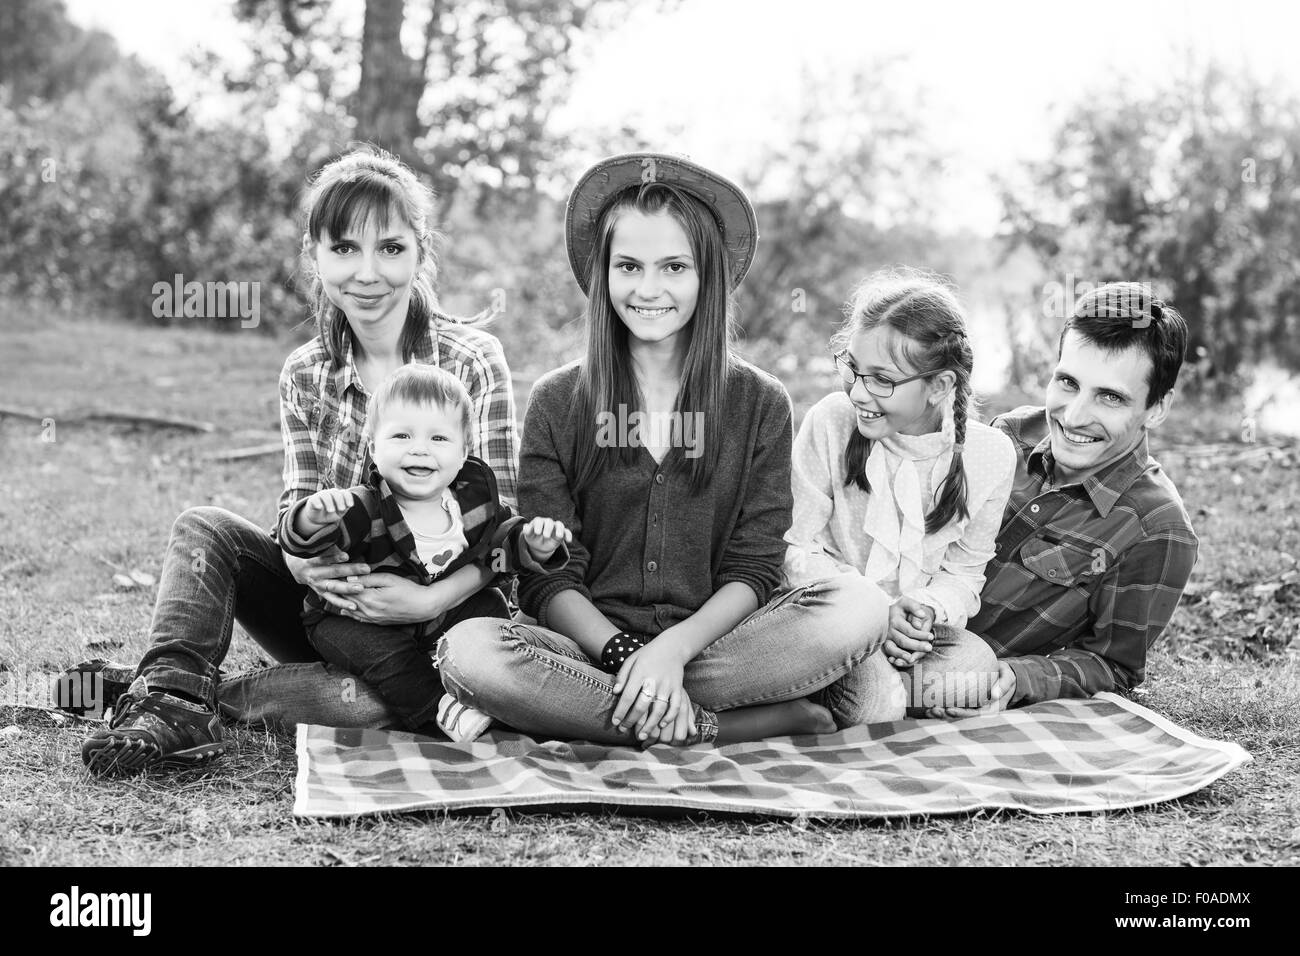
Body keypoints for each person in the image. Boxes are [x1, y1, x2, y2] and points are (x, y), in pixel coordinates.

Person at [75, 145, 520, 775]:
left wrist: (425, 602)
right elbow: (296, 510)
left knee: (366, 707)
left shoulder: (472, 361)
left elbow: (507, 520)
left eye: (391, 248)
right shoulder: (306, 372)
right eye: (344, 249)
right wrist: (306, 567)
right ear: (314, 255)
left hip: (439, 624)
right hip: (332, 613)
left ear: (421, 254)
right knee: (206, 529)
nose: (367, 274)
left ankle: (171, 695)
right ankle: (173, 693)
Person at [435, 152, 888, 747]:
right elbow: (549, 577)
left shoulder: (759, 402)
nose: (649, 289)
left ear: (708, 276)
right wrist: (628, 654)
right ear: (603, 274)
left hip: (714, 649)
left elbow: (753, 568)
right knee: (470, 653)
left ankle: (597, 713)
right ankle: (708, 727)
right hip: (589, 648)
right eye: (629, 266)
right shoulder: (557, 400)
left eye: (674, 266)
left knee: (857, 609)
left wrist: (670, 653)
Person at [912, 283, 1198, 718]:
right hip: (892, 619)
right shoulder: (1007, 435)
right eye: (1068, 382)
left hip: (950, 674)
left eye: (1111, 397)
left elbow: (1113, 665)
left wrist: (1021, 679)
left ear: (1157, 408)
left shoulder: (1156, 529)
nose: (1075, 416)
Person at [278, 364, 570, 738]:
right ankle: (438, 709)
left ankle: (491, 686)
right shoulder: (362, 508)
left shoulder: (474, 503)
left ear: (464, 452)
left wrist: (532, 545)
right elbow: (303, 539)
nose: (419, 449)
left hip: (439, 615)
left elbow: (500, 548)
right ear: (373, 448)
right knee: (387, 659)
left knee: (492, 609)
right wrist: (311, 517)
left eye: (438, 439)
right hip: (358, 620)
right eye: (401, 435)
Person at [783, 269, 1017, 721]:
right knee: (877, 705)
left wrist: (923, 613)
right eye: (852, 367)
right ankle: (850, 688)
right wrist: (877, 613)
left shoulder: (989, 455)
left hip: (910, 631)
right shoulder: (832, 420)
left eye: (882, 380)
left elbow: (965, 575)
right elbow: (796, 548)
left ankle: (840, 689)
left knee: (973, 670)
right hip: (829, 615)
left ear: (940, 386)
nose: (857, 391)